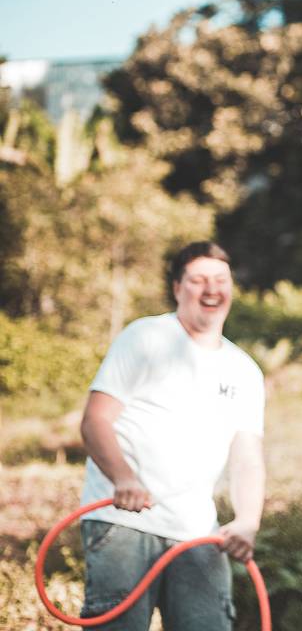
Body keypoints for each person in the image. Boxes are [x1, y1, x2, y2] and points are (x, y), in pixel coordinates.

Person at [78, 241, 266, 630]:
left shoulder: (244, 370)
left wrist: (248, 520)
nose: (211, 289)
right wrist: (123, 478)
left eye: (220, 279)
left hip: (198, 534)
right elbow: (95, 420)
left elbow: (247, 457)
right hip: (124, 525)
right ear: (178, 289)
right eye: (198, 280)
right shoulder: (145, 337)